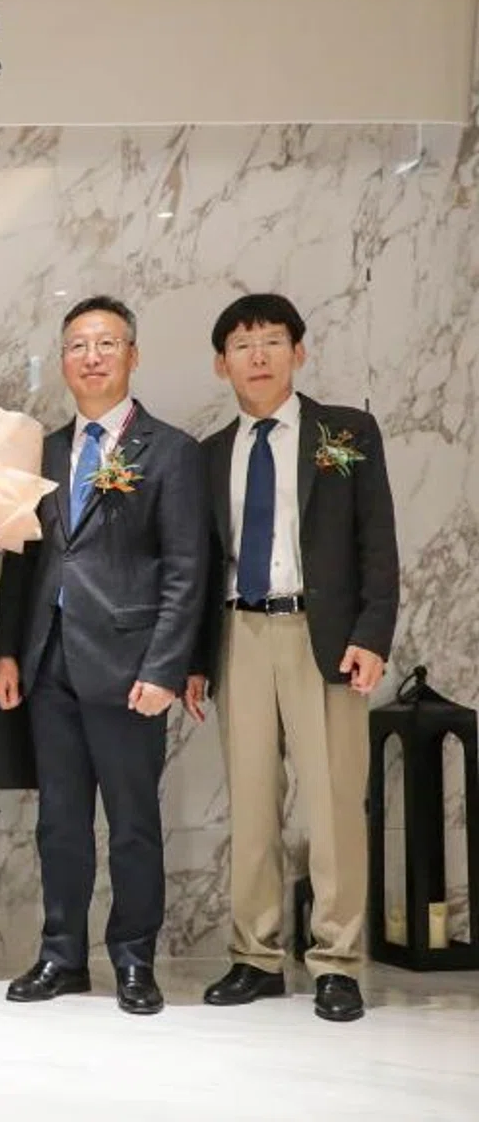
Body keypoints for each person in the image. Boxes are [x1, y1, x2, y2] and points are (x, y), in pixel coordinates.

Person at [0, 294, 207, 1016]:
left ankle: (135, 958)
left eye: (105, 344)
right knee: (59, 821)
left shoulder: (170, 450)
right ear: (62, 362)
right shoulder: (44, 451)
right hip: (49, 662)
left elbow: (186, 569)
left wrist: (164, 668)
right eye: (78, 345)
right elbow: (20, 563)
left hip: (129, 670)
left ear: (132, 356)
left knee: (133, 822)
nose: (91, 357)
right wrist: (7, 655)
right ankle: (60, 954)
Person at [187, 293, 398, 1023]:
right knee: (251, 803)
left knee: (336, 801)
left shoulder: (347, 433)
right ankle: (256, 957)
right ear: (222, 364)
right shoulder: (212, 455)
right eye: (242, 345)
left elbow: (378, 541)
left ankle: (337, 961)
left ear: (298, 352)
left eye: (272, 341)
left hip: (327, 636)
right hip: (239, 635)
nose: (258, 356)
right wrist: (193, 659)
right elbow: (205, 564)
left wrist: (372, 633)